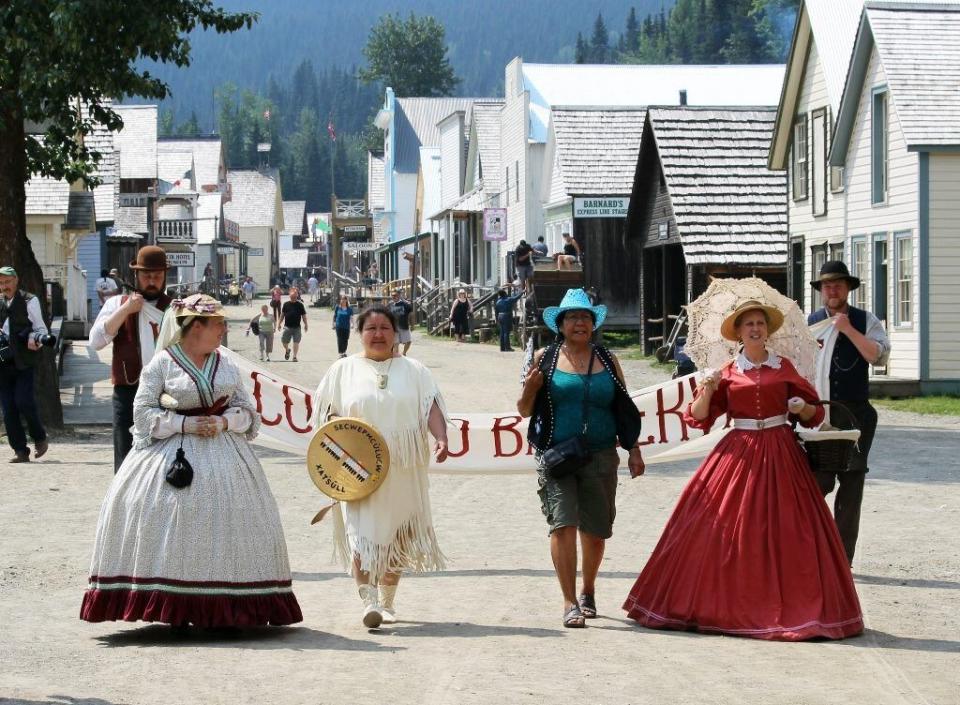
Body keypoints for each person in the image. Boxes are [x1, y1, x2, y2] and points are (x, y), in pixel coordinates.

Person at [623, 300, 864, 640]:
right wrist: (706, 390)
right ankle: (720, 605)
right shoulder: (726, 372)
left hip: (781, 449)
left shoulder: (785, 367)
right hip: (740, 448)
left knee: (791, 528)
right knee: (716, 524)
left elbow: (815, 416)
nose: (755, 329)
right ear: (738, 332)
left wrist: (802, 406)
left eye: (760, 324)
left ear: (767, 331)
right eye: (748, 324)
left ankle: (796, 606)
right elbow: (700, 415)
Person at [80, 294, 302, 629]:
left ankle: (231, 603)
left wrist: (225, 422)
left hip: (225, 452)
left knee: (231, 517)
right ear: (195, 327)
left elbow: (247, 410)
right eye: (217, 324)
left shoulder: (225, 364)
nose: (223, 330)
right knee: (167, 513)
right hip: (170, 453)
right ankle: (172, 603)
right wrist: (184, 424)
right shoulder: (161, 364)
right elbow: (142, 414)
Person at [312, 305, 450, 628]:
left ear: (396, 333)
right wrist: (342, 448)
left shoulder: (415, 371)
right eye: (370, 328)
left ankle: (387, 600)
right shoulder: (342, 370)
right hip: (358, 467)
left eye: (385, 328)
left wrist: (441, 437)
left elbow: (430, 406)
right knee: (360, 533)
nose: (377, 334)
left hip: (403, 466)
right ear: (359, 334)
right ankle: (368, 600)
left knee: (400, 532)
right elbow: (327, 416)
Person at [517, 288, 644, 628]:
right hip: (556, 456)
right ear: (560, 324)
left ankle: (588, 590)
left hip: (601, 455)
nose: (579, 323)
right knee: (562, 525)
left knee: (596, 530)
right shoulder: (544, 357)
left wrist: (633, 448)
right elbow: (524, 409)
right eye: (572, 317)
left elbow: (624, 408)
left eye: (585, 317)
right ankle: (569, 601)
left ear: (593, 324)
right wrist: (530, 389)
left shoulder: (607, 358)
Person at [808, 261, 890, 566]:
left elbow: (877, 357)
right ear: (821, 291)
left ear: (848, 289)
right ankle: (814, 552)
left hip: (856, 413)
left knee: (852, 483)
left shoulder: (865, 320)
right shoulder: (810, 323)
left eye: (838, 285)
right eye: (827, 285)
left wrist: (848, 330)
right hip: (821, 413)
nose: (833, 290)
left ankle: (843, 560)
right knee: (819, 482)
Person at [90, 246, 173, 471]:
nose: (152, 281)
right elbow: (96, 341)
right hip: (128, 389)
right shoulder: (117, 304)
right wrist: (126, 310)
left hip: (166, 391)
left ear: (165, 276)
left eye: (157, 276)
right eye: (146, 275)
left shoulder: (175, 309)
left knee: (163, 456)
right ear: (136, 276)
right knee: (125, 455)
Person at [0, 267, 50, 463]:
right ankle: (20, 450)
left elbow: (40, 329)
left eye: (8, 282)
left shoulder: (30, 300)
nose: (4, 287)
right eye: (1, 283)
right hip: (3, 364)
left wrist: (35, 340)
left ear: (16, 280)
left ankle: (39, 437)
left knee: (23, 402)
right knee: (8, 408)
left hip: (24, 361)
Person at [280, 287, 308, 362]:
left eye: (295, 296)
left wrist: (306, 324)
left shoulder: (300, 305)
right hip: (287, 327)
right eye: (292, 297)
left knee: (296, 342)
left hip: (297, 327)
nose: (293, 298)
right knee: (284, 341)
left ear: (297, 296)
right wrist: (279, 323)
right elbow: (282, 315)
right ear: (290, 296)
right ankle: (287, 349)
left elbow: (304, 316)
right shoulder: (286, 304)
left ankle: (294, 357)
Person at [494, 288, 523, 352]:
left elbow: (496, 311)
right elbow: (516, 298)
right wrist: (522, 292)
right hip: (506, 316)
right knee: (506, 332)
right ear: (504, 294)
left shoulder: (498, 302)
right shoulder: (508, 299)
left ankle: (502, 348)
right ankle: (507, 347)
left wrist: (497, 320)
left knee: (502, 333)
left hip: (500, 316)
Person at [389, 289, 414, 356]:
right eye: (392, 295)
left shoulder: (406, 305)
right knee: (396, 343)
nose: (393, 297)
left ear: (399, 295)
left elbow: (411, 315)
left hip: (404, 326)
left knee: (408, 342)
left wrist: (412, 325)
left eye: (395, 295)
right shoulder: (390, 305)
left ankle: (404, 353)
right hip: (394, 328)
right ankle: (396, 357)